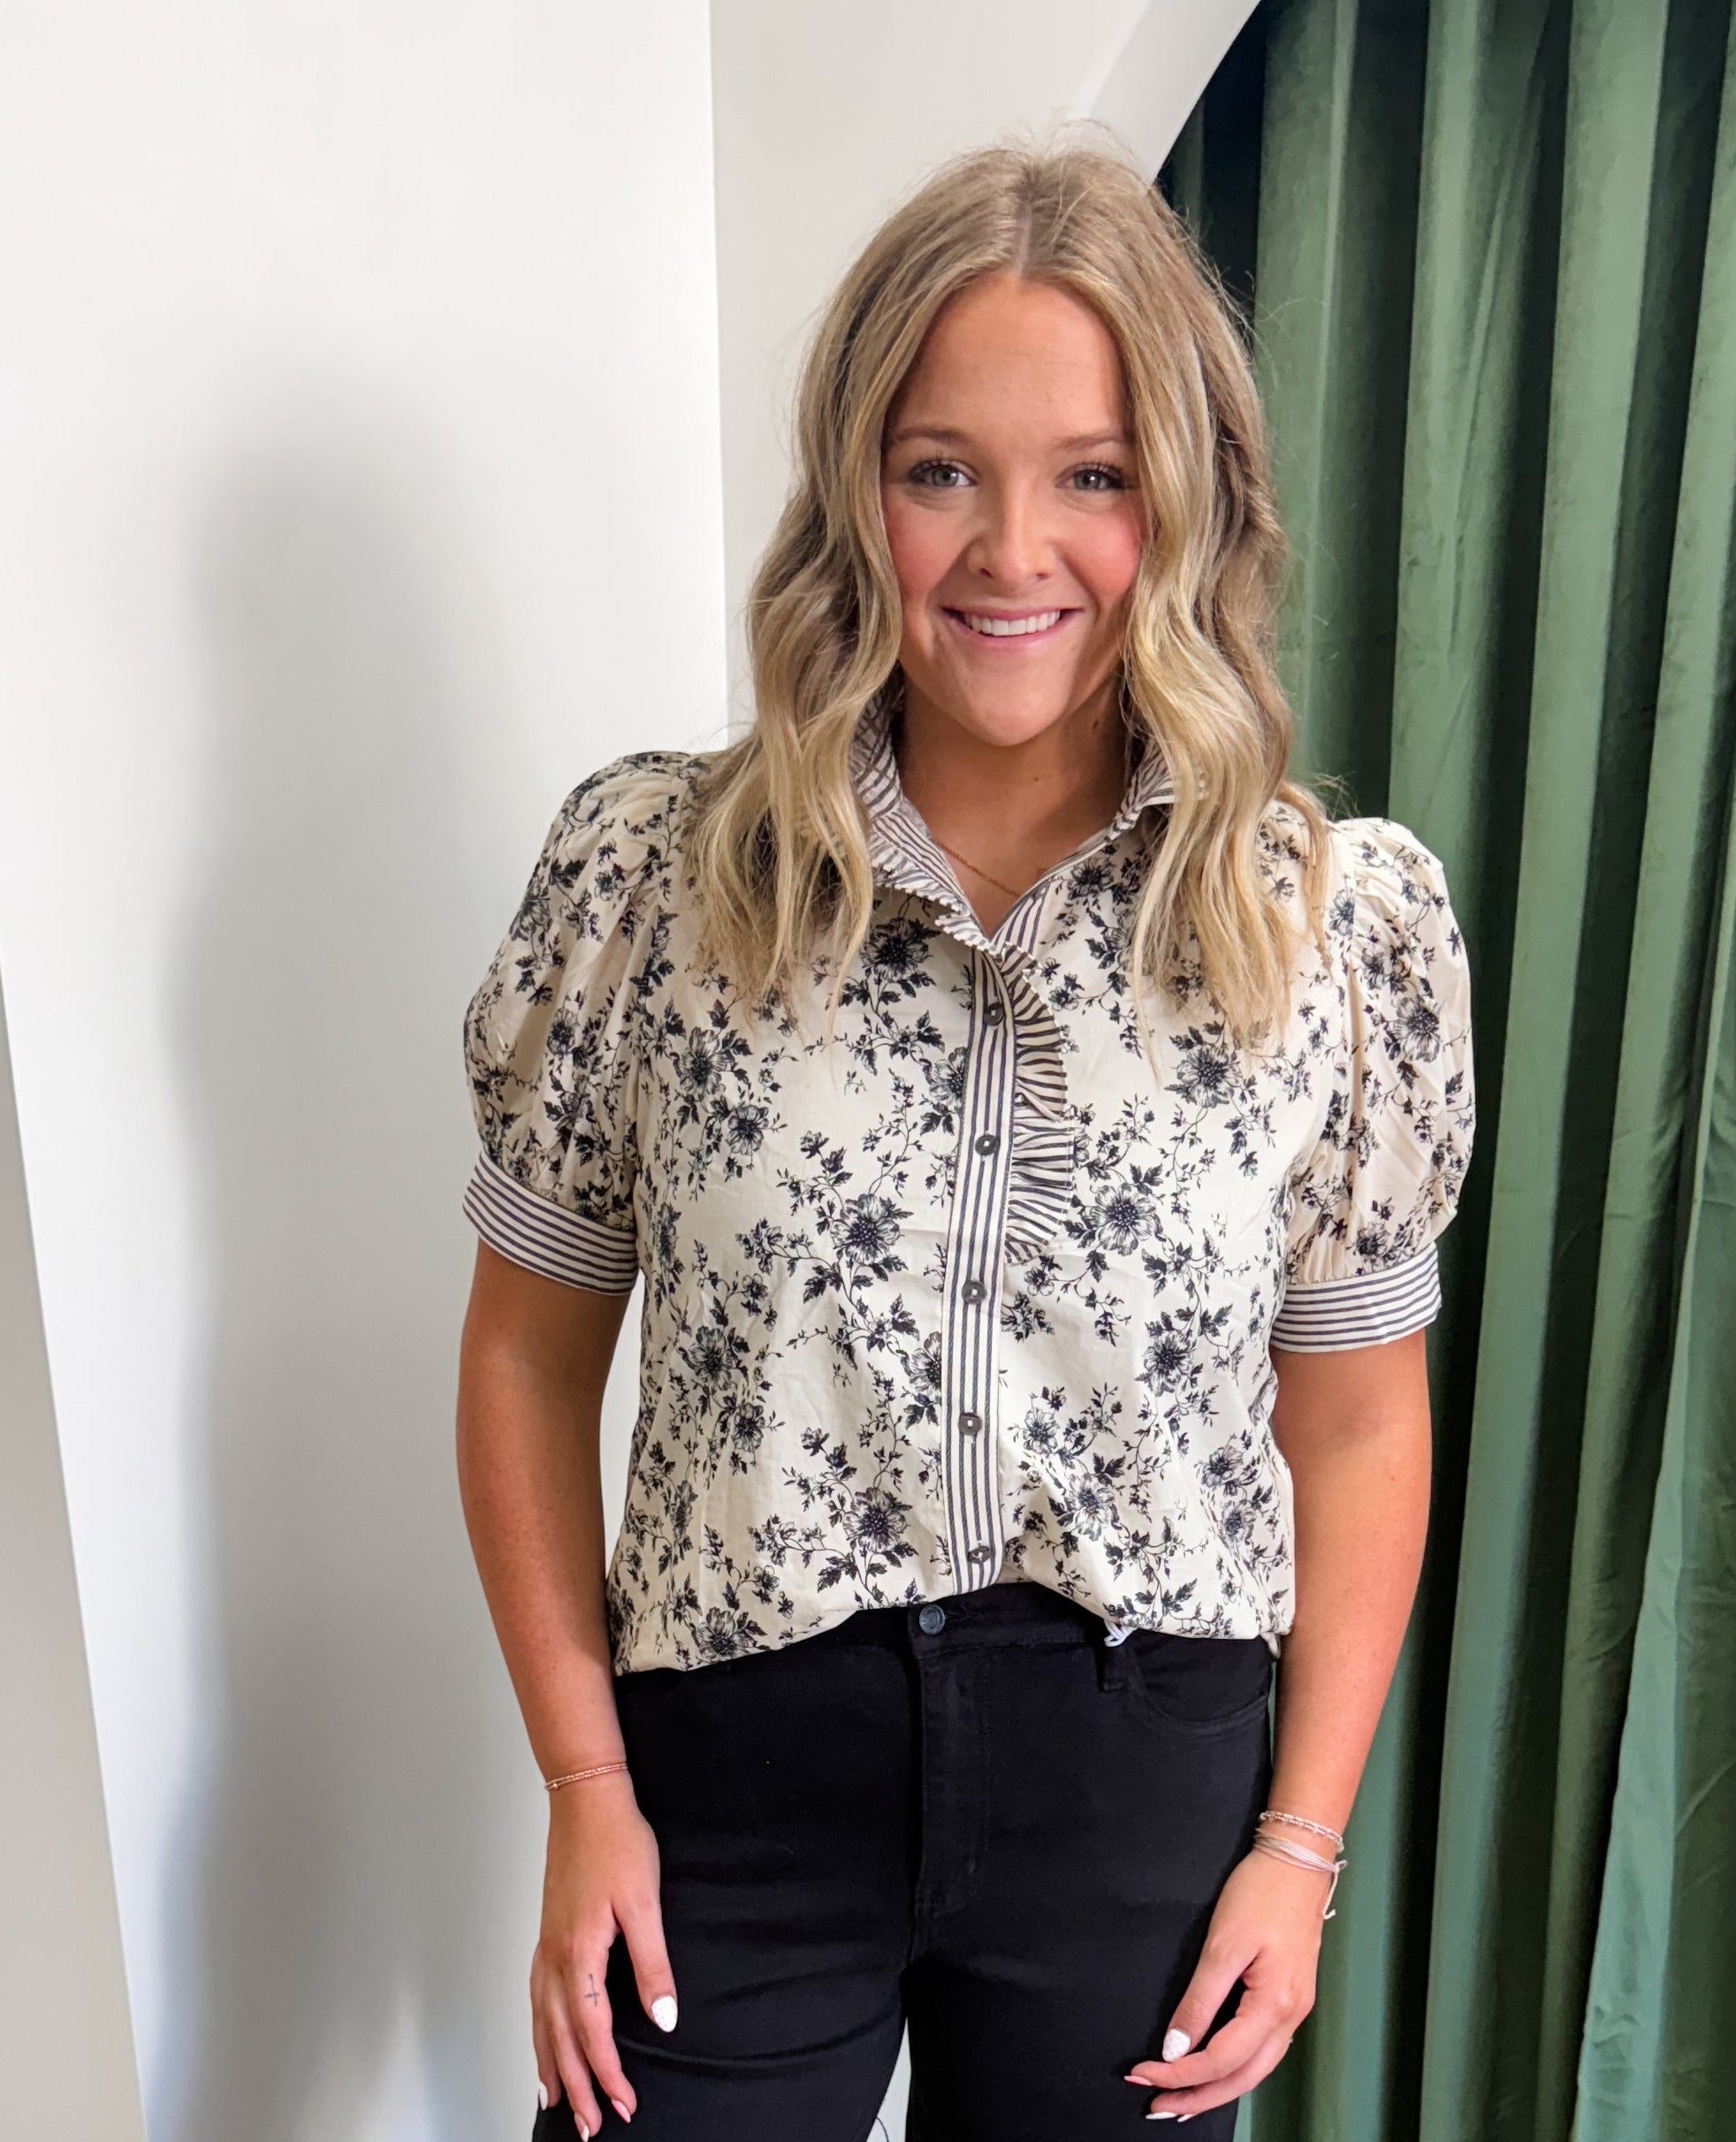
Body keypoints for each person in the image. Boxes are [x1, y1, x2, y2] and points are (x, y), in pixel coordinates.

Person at [454, 135, 1475, 2142]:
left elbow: (1356, 1420)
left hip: (1139, 1791)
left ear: (1181, 506)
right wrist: (584, 1786)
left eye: (1092, 474)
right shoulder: (656, 880)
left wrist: (1304, 1846)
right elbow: (524, 1349)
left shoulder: (1327, 924)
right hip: (726, 1784)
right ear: (857, 494)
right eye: (943, 469)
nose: (1015, 549)